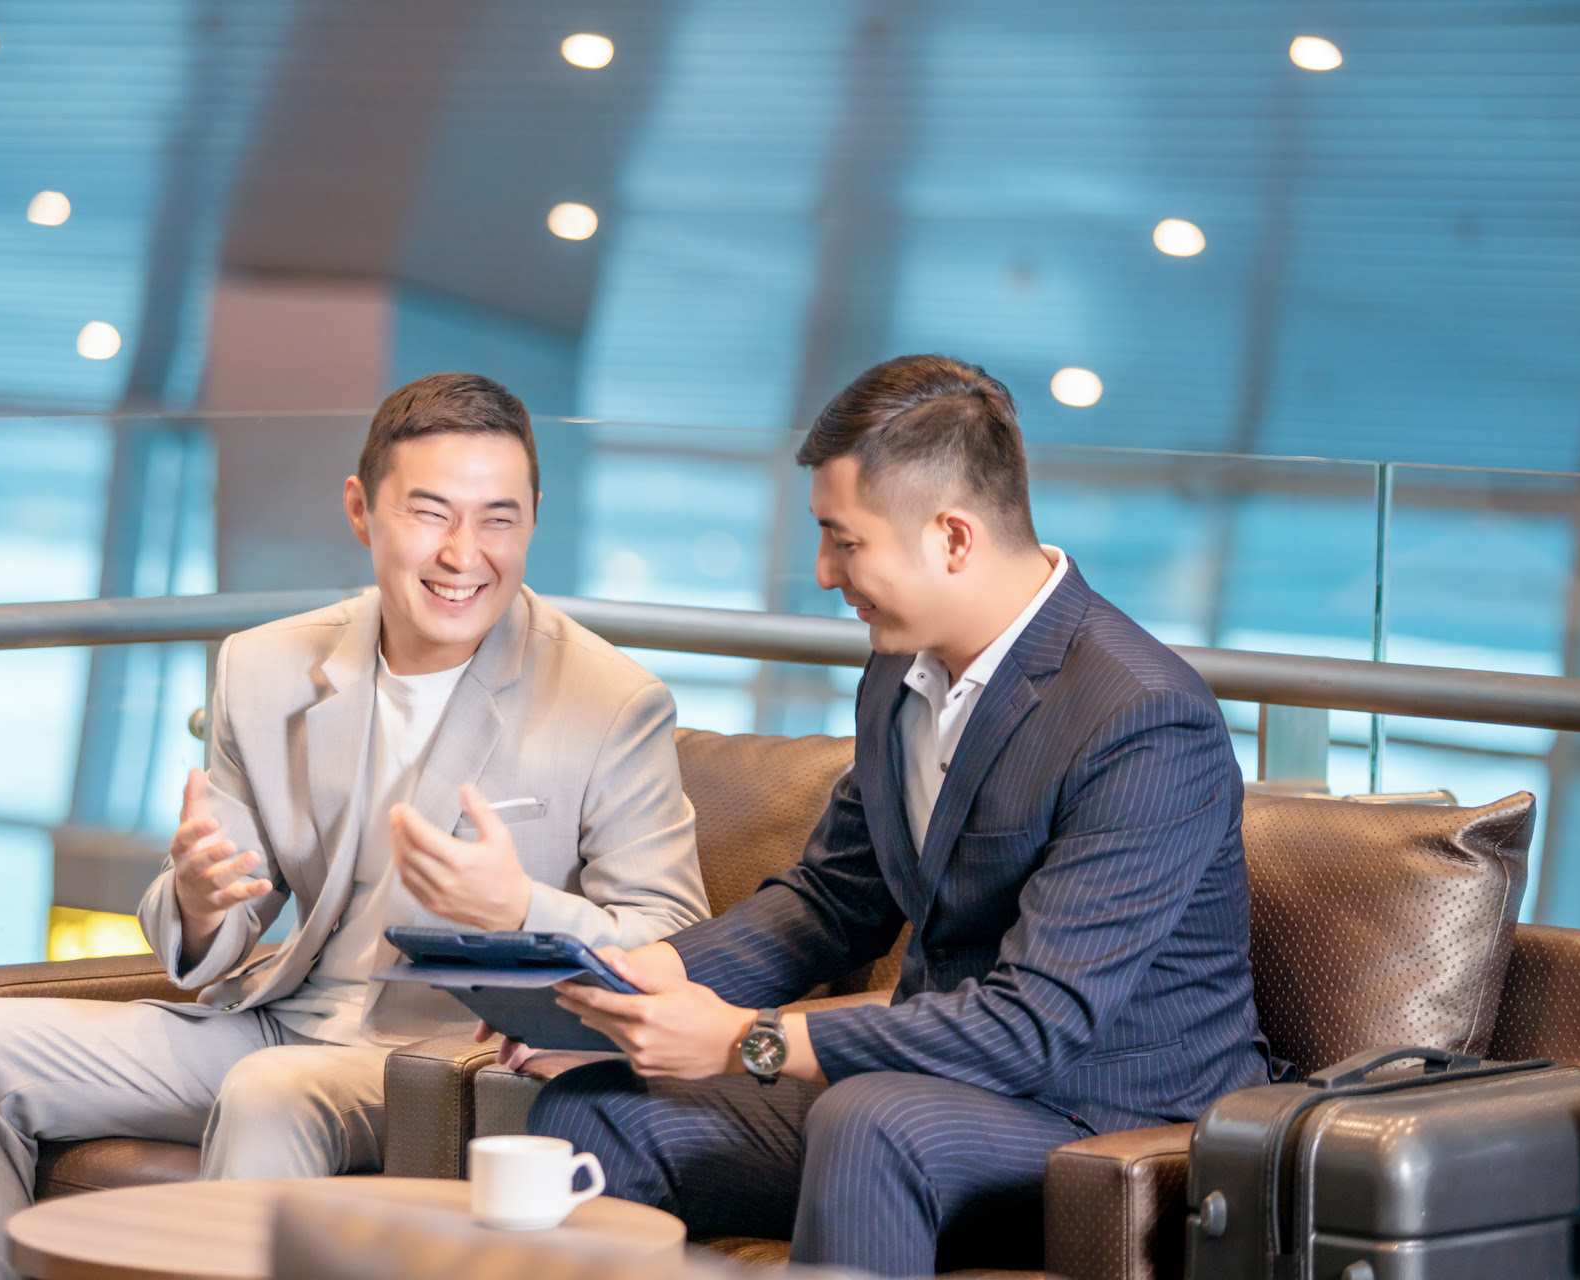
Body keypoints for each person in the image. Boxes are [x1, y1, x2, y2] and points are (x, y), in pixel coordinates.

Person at [0, 372, 710, 1280]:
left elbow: (674, 938)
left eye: (498, 519)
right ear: (362, 510)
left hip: (453, 1058)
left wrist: (523, 909)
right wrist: (202, 901)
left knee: (269, 1092)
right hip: (283, 1022)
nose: (463, 554)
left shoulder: (611, 701)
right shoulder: (266, 666)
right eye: (430, 513)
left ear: (533, 520)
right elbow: (220, 912)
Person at [526, 354, 1271, 1276]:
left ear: (953, 537)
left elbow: (1036, 1025)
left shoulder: (1145, 717)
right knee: (591, 1112)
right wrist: (641, 976)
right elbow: (833, 902)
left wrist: (747, 1040)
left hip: (1111, 1130)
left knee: (870, 1120)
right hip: (927, 1098)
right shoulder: (896, 671)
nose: (822, 572)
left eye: (845, 542)